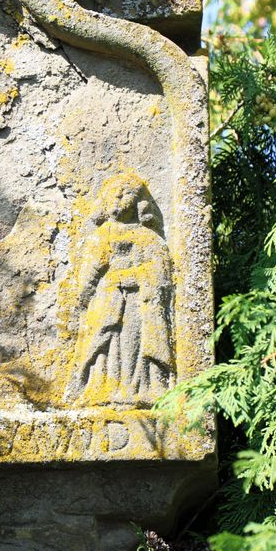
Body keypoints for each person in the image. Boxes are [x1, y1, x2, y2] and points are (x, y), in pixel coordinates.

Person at [64, 173, 176, 408]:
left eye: (125, 194)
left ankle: (138, 388)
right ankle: (100, 388)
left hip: (138, 302)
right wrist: (89, 291)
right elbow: (88, 276)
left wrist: (130, 277)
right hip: (106, 302)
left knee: (134, 342)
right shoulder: (100, 237)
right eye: (113, 195)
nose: (118, 199)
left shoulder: (148, 238)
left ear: (138, 203)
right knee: (105, 344)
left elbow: (161, 277)